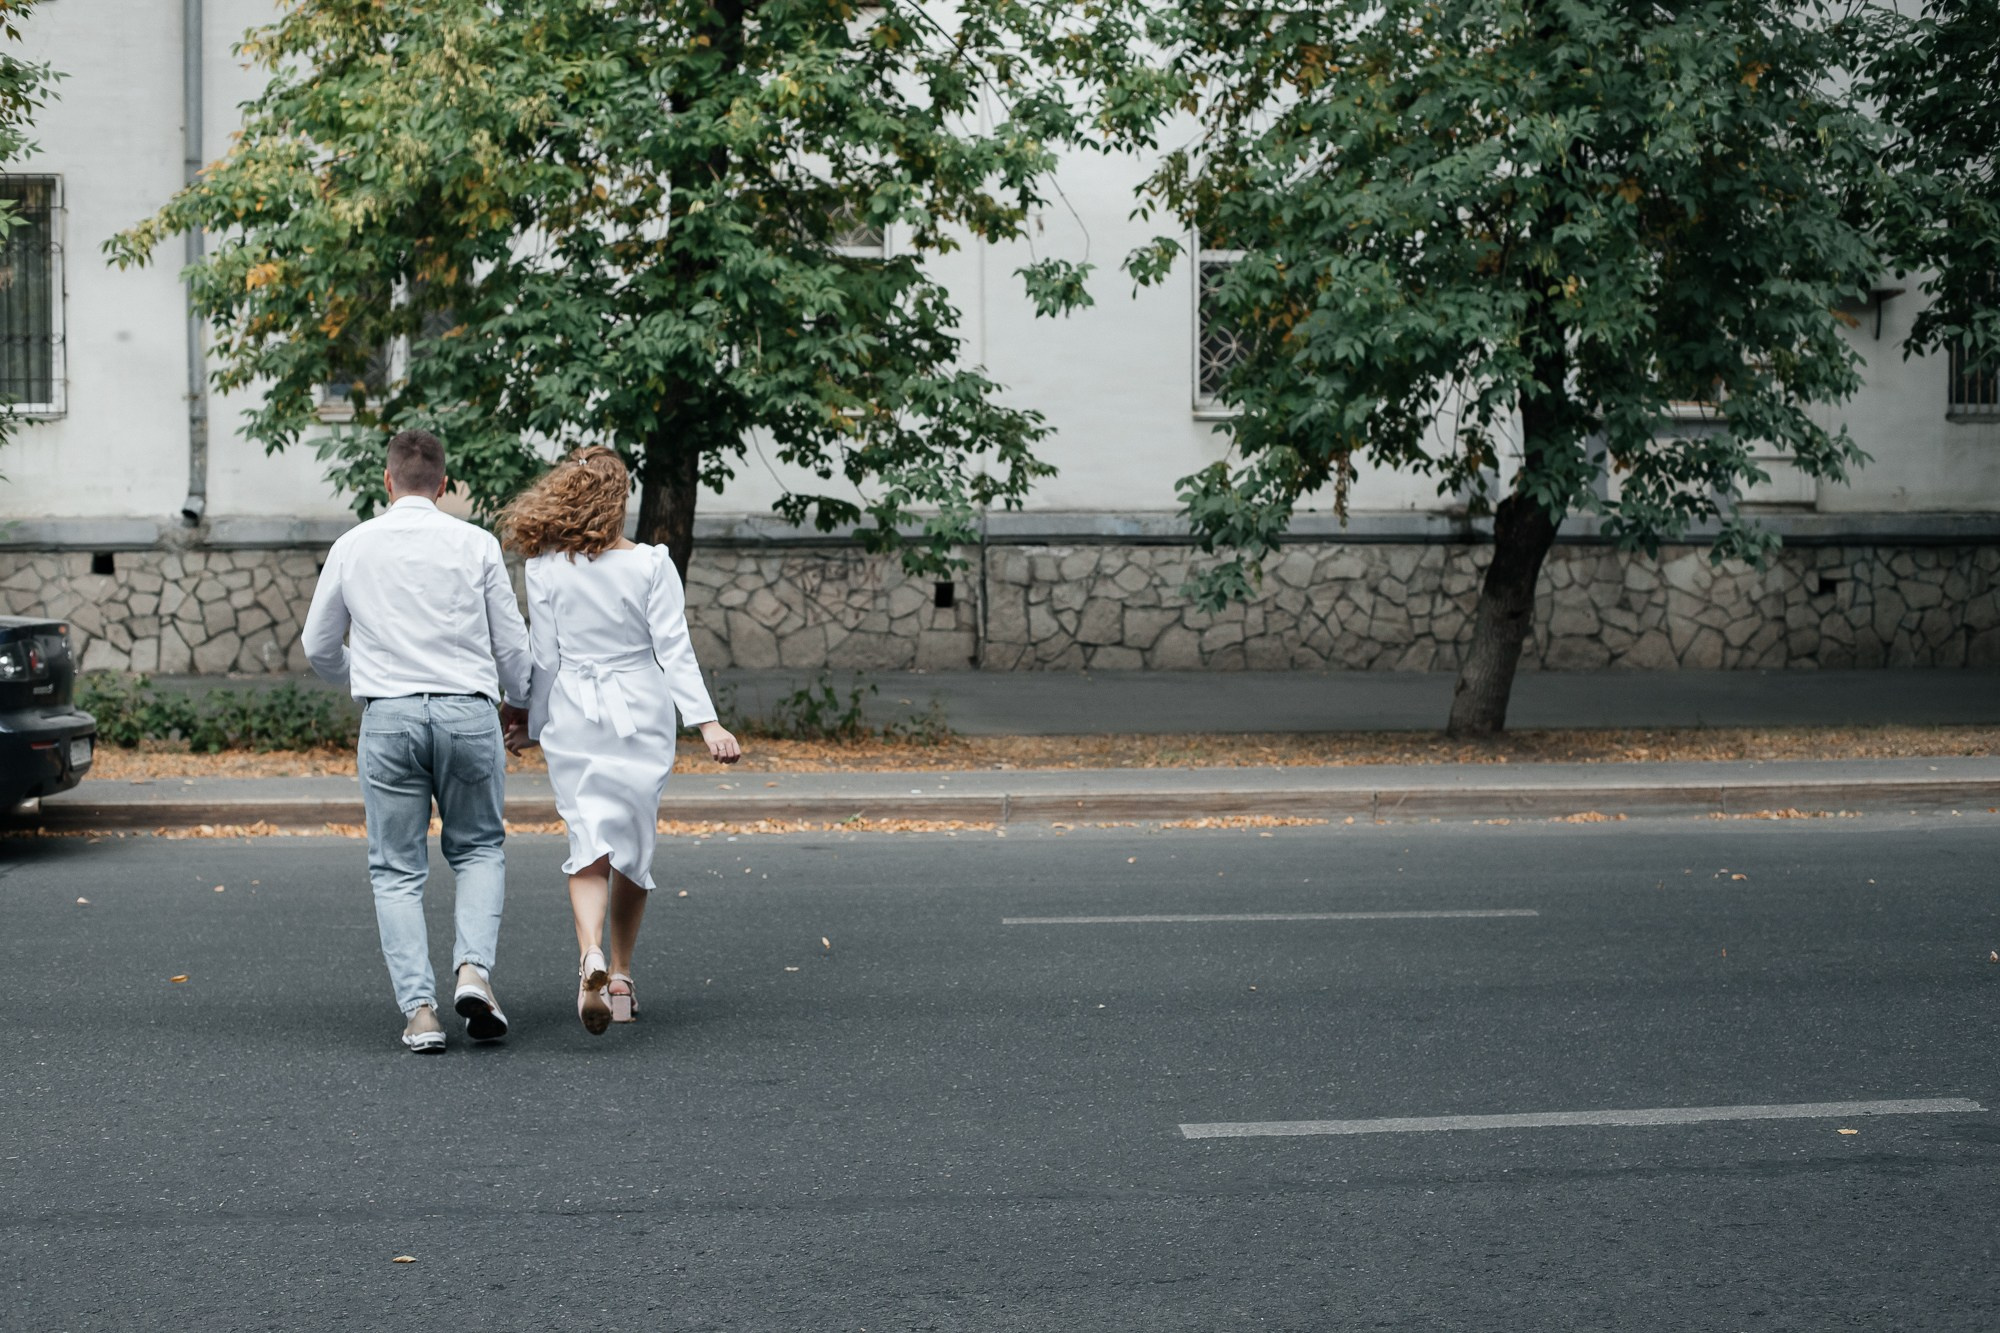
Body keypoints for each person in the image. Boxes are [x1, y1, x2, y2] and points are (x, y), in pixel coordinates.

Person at [301, 428, 532, 1054]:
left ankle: (421, 1013)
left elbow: (318, 646)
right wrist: (520, 706)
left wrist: (368, 682)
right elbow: (512, 646)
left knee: (396, 870)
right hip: (467, 713)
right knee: (479, 849)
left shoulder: (352, 545)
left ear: (387, 480)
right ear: (445, 485)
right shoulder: (477, 544)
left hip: (390, 718)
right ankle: (474, 974)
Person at [499, 446, 741, 1035]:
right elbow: (673, 649)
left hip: (576, 713)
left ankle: (590, 957)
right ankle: (624, 976)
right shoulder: (651, 564)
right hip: (640, 707)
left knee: (588, 837)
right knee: (633, 840)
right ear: (619, 500)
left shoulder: (546, 567)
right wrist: (707, 723)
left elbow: (545, 659)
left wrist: (530, 724)